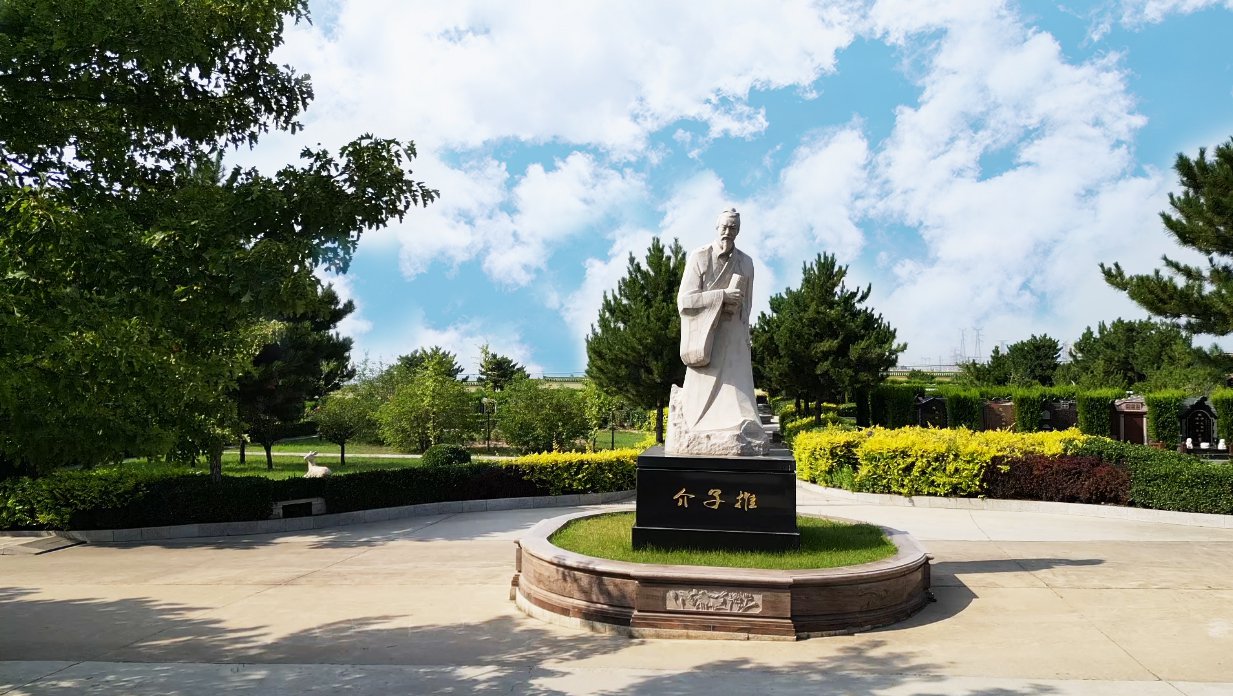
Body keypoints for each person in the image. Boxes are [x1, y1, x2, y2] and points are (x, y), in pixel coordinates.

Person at [665, 208, 769, 456]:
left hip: (734, 334)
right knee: (702, 392)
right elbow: (684, 301)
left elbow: (747, 305)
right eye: (724, 226)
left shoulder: (746, 262)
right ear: (716, 227)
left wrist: (745, 334)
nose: (727, 232)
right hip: (707, 333)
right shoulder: (700, 257)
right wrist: (721, 296)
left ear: (738, 230)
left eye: (733, 227)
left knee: (739, 391)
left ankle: (742, 425)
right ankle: (698, 424)